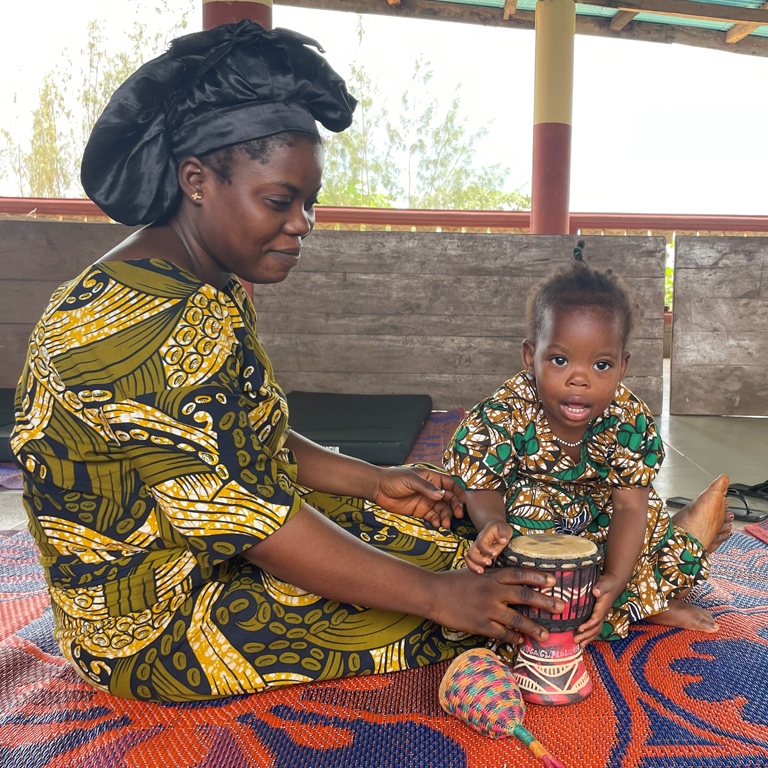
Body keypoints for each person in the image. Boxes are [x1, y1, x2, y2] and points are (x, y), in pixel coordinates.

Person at [10, 22, 563, 703]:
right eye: (279, 200)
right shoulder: (144, 327)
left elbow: (244, 435)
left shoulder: (197, 283)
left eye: (309, 203)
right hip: (153, 630)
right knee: (491, 608)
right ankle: (640, 577)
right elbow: (255, 523)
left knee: (453, 538)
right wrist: (437, 597)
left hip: (213, 549)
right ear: (197, 181)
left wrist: (373, 480)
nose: (303, 222)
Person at [444, 244, 733, 647]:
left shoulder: (628, 419)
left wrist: (615, 577)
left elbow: (628, 505)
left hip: (602, 522)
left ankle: (643, 598)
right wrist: (492, 523)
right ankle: (642, 601)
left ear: (622, 366)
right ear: (531, 357)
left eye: (601, 365)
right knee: (461, 542)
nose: (579, 379)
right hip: (527, 525)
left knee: (646, 517)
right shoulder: (504, 412)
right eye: (560, 360)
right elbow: (483, 485)